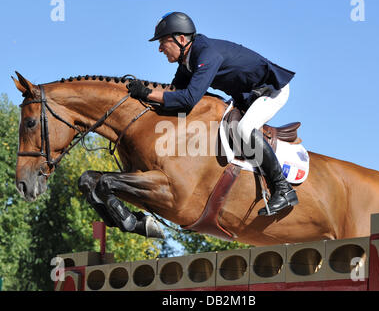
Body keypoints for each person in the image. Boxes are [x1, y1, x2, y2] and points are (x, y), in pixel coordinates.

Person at [127, 12, 298, 216]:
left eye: (163, 42)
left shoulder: (207, 54)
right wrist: (144, 98)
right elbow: (175, 96)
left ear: (181, 39)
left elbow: (189, 99)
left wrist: (148, 92)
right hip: (247, 96)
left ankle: (283, 188)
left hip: (272, 90)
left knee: (244, 128)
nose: (160, 48)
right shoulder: (186, 63)